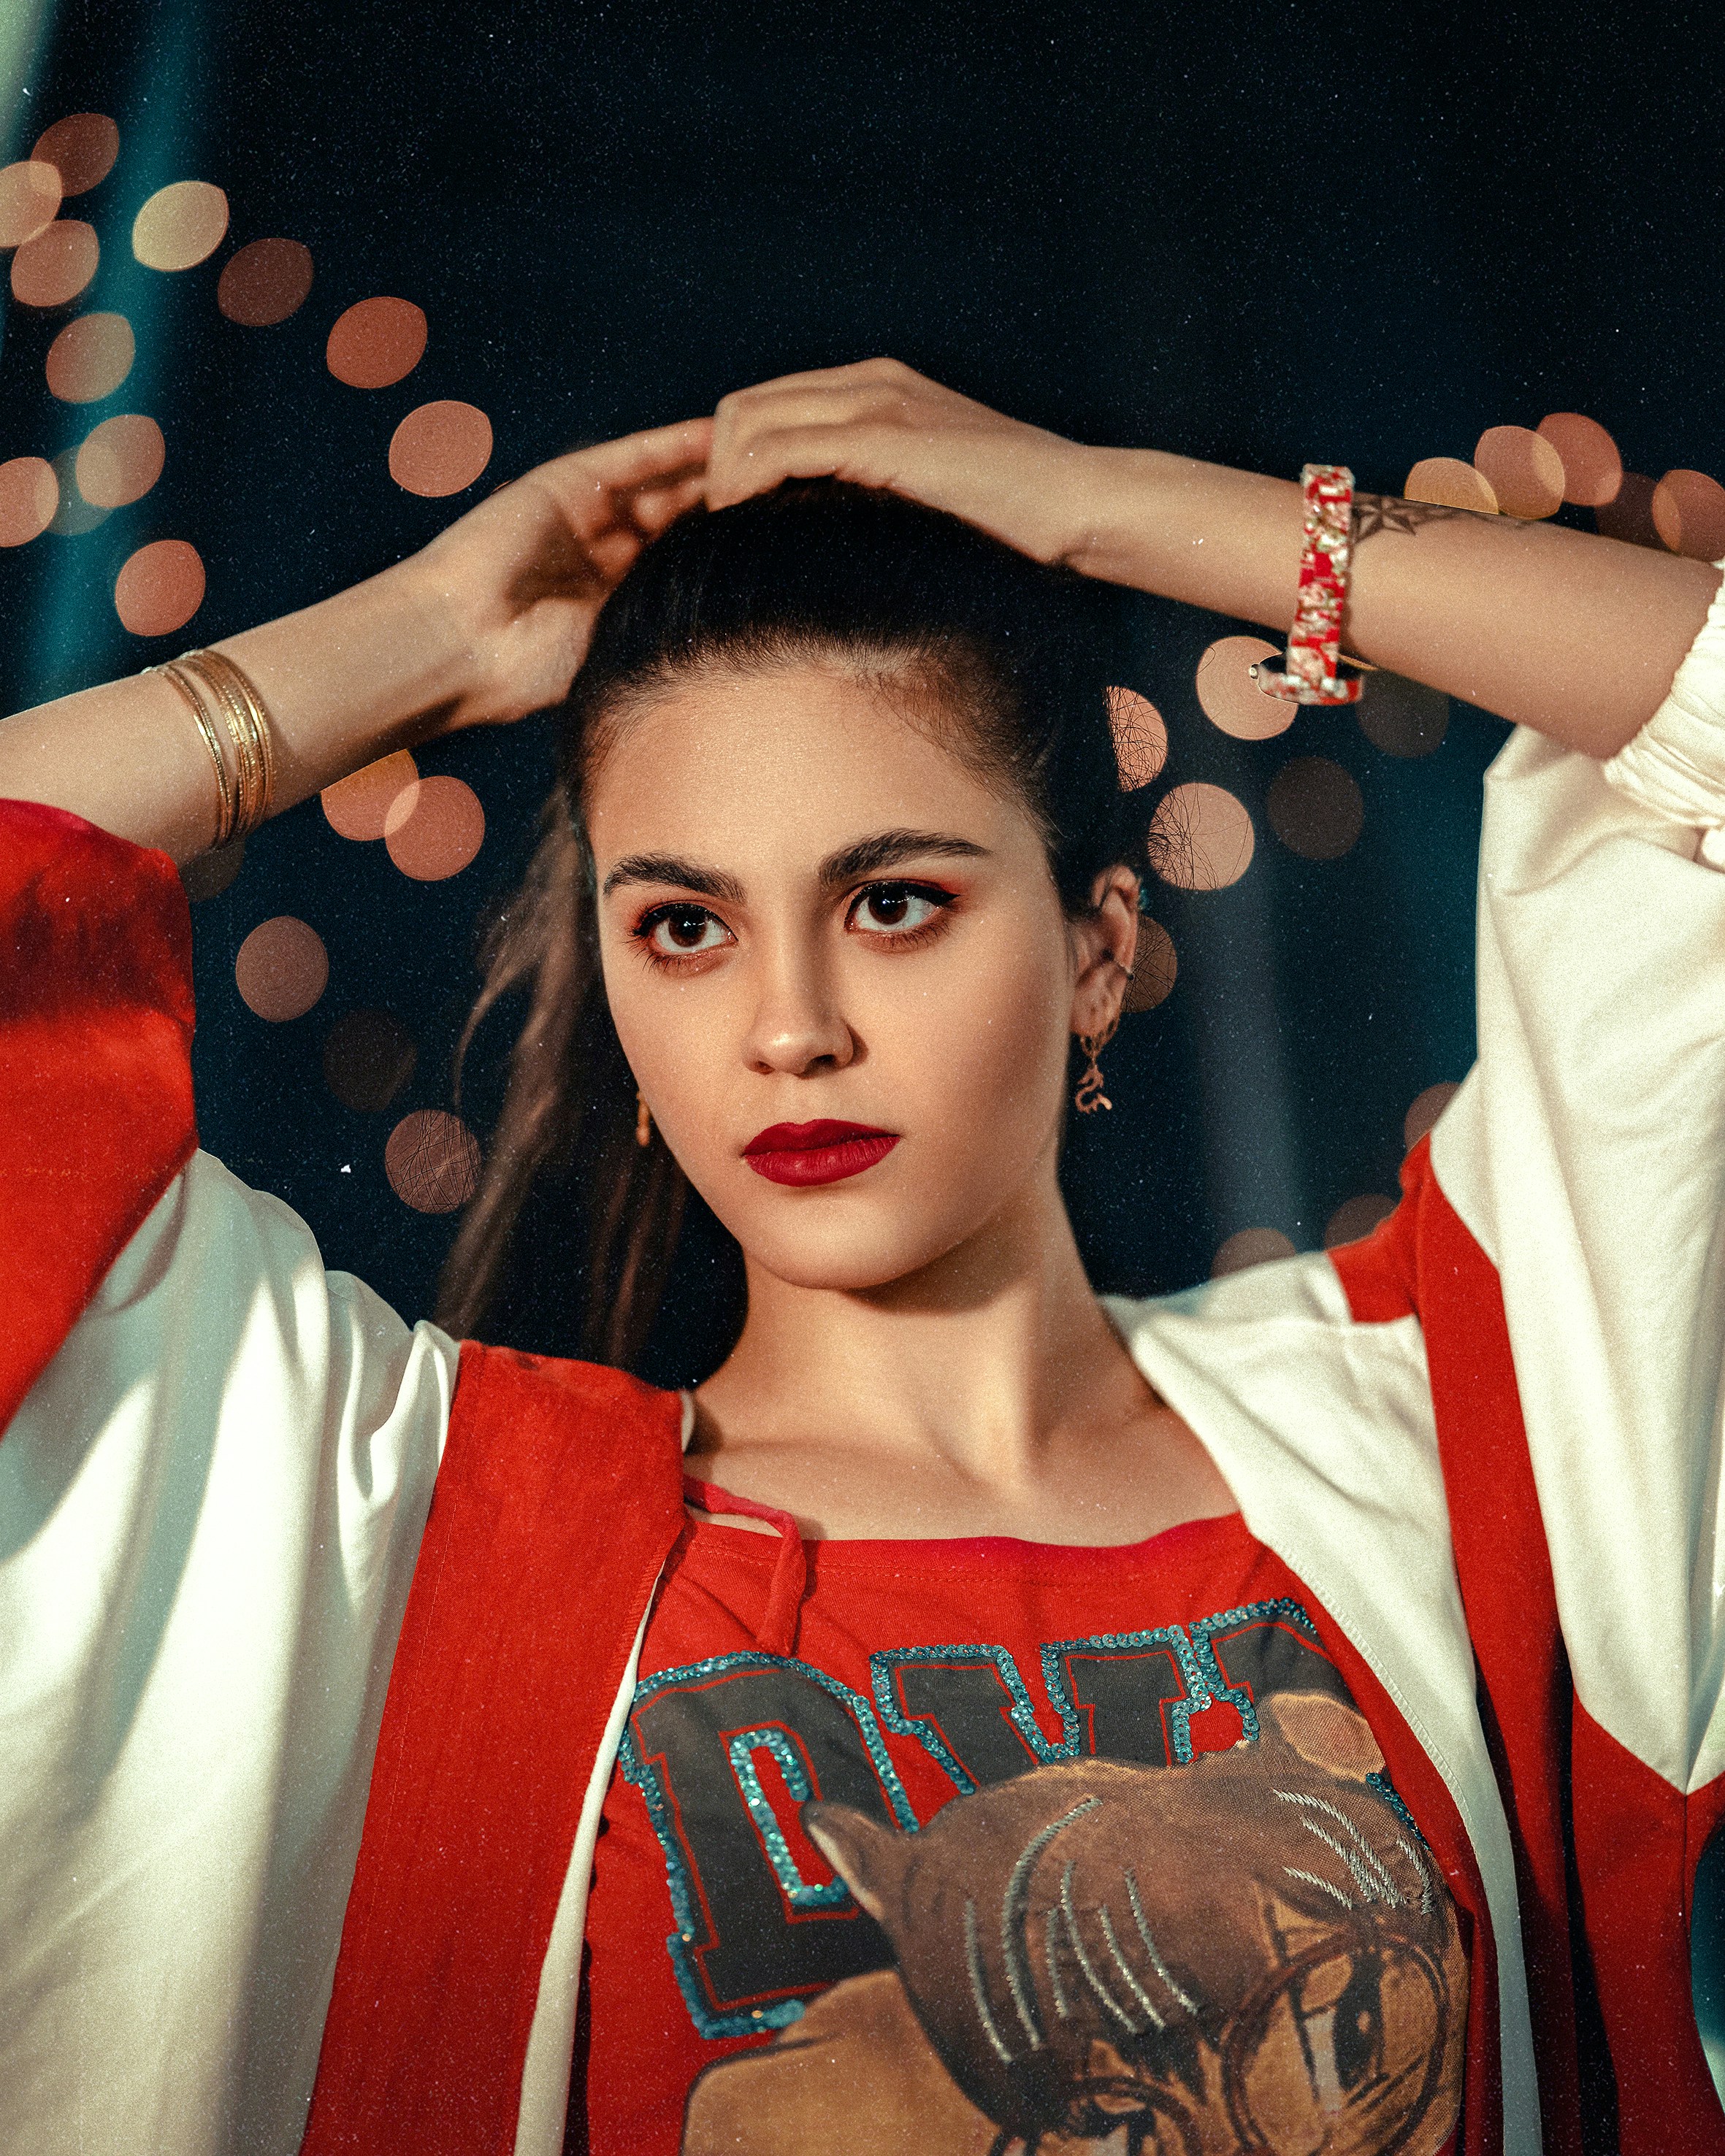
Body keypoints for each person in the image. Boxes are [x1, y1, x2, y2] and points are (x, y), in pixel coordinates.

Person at [1, 358, 1721, 2156]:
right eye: (683, 927)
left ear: (1094, 953)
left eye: (891, 901)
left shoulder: (1431, 1418)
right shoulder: (415, 1517)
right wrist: (431, 629)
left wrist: (1106, 502)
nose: (790, 1026)